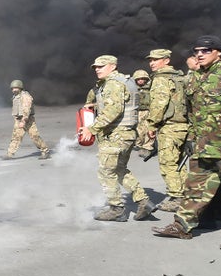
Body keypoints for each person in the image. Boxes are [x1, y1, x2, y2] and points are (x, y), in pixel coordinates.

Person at [152, 36, 221, 250]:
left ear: (218, 52)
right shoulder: (194, 78)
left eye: (206, 50)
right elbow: (193, 113)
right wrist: (191, 139)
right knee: (194, 188)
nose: (200, 54)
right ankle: (182, 226)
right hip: (203, 146)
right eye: (197, 51)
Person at [78, 54, 153, 222]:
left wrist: (92, 128)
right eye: (95, 67)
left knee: (106, 171)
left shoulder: (113, 84)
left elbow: (114, 110)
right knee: (119, 170)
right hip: (126, 134)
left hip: (115, 135)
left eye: (101, 66)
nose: (97, 69)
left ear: (112, 66)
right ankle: (143, 201)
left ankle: (116, 208)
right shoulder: (127, 82)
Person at [142, 49, 189, 211]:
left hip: (169, 127)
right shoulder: (180, 77)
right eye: (151, 60)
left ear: (166, 60)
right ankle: (183, 194)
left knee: (167, 163)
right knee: (179, 163)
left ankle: (176, 197)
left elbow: (159, 104)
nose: (152, 63)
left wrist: (152, 125)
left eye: (156, 60)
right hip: (183, 125)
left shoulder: (161, 79)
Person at [0, 79, 50, 160]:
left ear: (20, 87)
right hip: (19, 119)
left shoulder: (25, 96)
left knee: (35, 136)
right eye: (12, 88)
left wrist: (23, 121)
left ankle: (45, 151)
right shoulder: (16, 97)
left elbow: (26, 110)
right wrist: (17, 120)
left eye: (15, 88)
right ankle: (9, 154)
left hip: (27, 120)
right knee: (16, 137)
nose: (14, 90)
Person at [130, 69, 154, 159]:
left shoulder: (151, 89)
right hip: (136, 111)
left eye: (143, 78)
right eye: (138, 79)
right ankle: (138, 143)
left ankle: (147, 147)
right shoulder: (132, 89)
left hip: (148, 111)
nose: (140, 80)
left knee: (149, 129)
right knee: (137, 129)